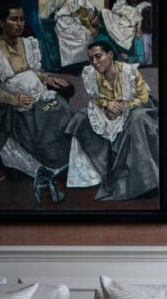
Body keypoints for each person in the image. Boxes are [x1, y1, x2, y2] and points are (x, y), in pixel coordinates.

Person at [65, 40, 159, 201]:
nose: (95, 62)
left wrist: (121, 107)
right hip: (108, 109)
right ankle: (89, 177)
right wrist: (107, 104)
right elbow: (95, 98)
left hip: (139, 108)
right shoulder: (91, 74)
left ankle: (143, 179)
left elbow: (143, 99)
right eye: (91, 59)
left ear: (110, 54)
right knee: (81, 117)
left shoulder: (129, 72)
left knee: (136, 118)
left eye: (98, 56)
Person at [0, 3, 73, 204]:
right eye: (14, 19)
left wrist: (47, 79)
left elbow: (35, 72)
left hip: (39, 93)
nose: (19, 24)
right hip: (12, 102)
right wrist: (14, 99)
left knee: (61, 108)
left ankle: (65, 161)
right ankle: (47, 166)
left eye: (22, 19)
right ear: (1, 23)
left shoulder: (28, 44)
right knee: (38, 121)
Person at [99, 0, 152, 65]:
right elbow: (115, 13)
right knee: (104, 12)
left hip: (129, 28)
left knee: (124, 37)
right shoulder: (123, 4)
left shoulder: (139, 7)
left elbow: (139, 20)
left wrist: (138, 30)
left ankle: (122, 58)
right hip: (118, 24)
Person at [54, 0, 99, 67]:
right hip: (65, 23)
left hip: (66, 22)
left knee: (86, 35)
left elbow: (80, 14)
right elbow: (83, 16)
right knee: (87, 36)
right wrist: (91, 29)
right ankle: (78, 64)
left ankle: (79, 63)